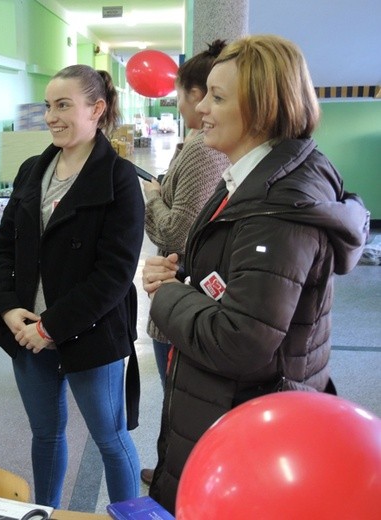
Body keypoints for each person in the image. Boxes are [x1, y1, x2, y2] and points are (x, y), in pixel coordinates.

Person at [142, 34, 369, 513]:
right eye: (205, 93)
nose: (201, 107)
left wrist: (165, 294)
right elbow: (250, 284)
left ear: (263, 112)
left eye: (218, 98)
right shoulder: (260, 180)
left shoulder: (276, 206)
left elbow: (241, 339)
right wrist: (190, 275)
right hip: (243, 405)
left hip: (245, 416)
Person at [0, 64, 144, 507]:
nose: (52, 116)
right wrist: (9, 309)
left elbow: (114, 274)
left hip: (90, 336)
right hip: (27, 335)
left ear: (96, 109)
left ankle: (128, 516)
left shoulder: (119, 179)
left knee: (111, 440)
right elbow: (1, 249)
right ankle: (47, 512)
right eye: (48, 106)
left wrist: (51, 326)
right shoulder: (31, 171)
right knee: (45, 436)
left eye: (63, 105)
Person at [140, 39, 230, 486]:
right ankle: (173, 469)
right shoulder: (197, 144)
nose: (182, 104)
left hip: (182, 297)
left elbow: (176, 232)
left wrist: (153, 198)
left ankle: (183, 476)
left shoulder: (201, 148)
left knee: (181, 398)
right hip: (183, 293)